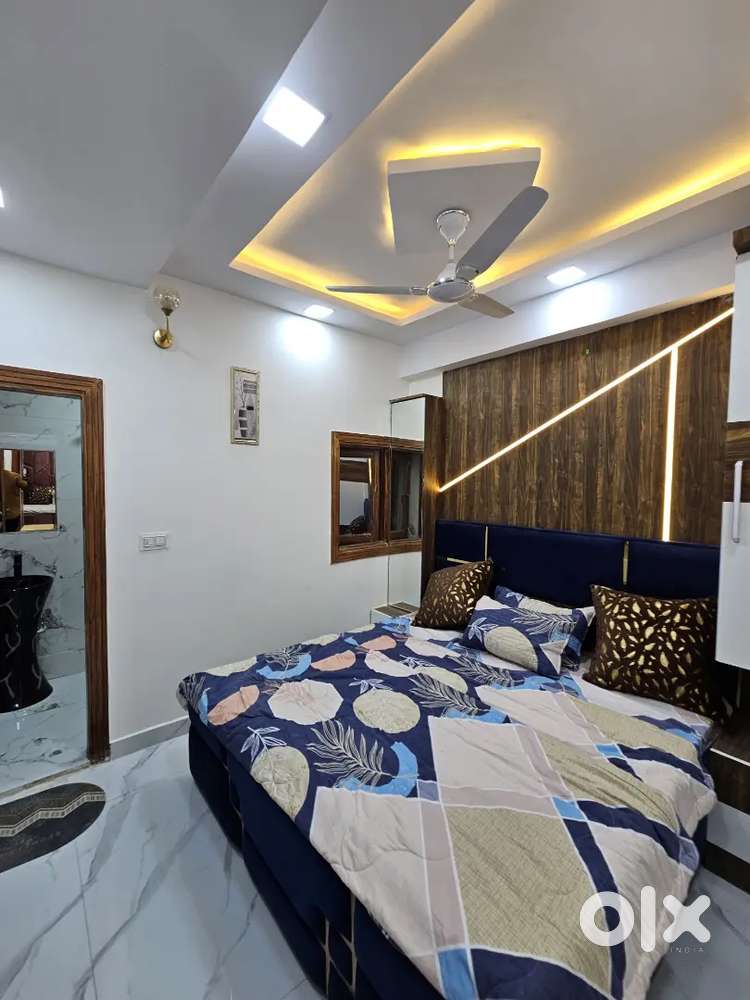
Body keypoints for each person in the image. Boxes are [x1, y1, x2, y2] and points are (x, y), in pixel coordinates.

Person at [1, 467, 28, 532]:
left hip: (9, 513)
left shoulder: (13, 476)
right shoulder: (13, 476)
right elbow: (25, 486)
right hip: (11, 513)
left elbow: (24, 486)